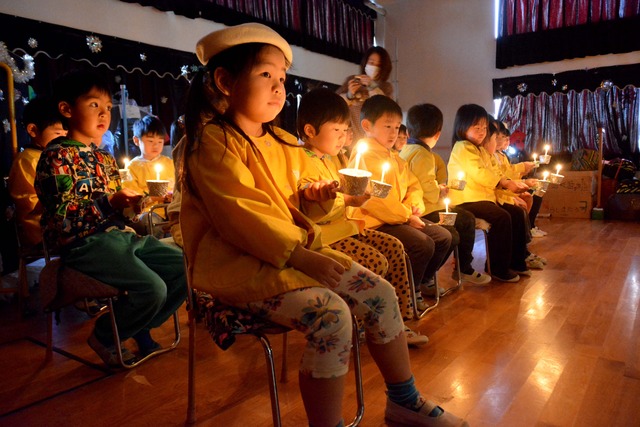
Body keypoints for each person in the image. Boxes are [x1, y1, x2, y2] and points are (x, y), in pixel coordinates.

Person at [178, 23, 468, 427]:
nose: (279, 87)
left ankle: (403, 400)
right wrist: (301, 255)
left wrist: (315, 197)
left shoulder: (280, 141)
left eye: (282, 78)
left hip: (289, 256)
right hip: (236, 266)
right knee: (332, 316)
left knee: (381, 294)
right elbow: (240, 218)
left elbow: (297, 205)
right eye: (266, 75)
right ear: (225, 81)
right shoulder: (210, 142)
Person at [34, 70, 187, 367]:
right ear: (66, 110)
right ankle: (105, 334)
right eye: (94, 105)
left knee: (183, 267)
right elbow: (64, 220)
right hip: (84, 244)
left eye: (107, 108)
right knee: (152, 288)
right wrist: (110, 204)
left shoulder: (103, 157)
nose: (104, 114)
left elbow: (118, 208)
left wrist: (139, 202)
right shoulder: (56, 157)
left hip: (119, 236)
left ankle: (139, 326)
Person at [296, 87, 426, 345]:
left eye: (346, 130)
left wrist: (358, 196)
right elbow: (314, 210)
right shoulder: (301, 159)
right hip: (325, 237)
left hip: (348, 228)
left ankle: (396, 321)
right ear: (310, 131)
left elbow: (351, 197)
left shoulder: (333, 159)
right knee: (377, 262)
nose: (343, 137)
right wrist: (348, 199)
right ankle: (370, 321)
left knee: (394, 248)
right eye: (337, 130)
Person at [348, 95, 453, 304]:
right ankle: (403, 296)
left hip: (398, 218)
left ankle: (419, 282)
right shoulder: (364, 156)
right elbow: (373, 200)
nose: (394, 133)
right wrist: (406, 216)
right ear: (367, 126)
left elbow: (413, 185)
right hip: (374, 222)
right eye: (388, 126)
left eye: (397, 127)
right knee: (422, 244)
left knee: (443, 237)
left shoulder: (395, 157)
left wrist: (414, 205)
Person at [401, 103, 490, 285]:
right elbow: (426, 186)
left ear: (408, 132)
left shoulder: (406, 150)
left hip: (420, 207)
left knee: (461, 222)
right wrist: (440, 190)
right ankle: (460, 269)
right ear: (437, 133)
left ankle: (438, 274)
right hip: (426, 209)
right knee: (465, 221)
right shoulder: (423, 154)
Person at [447, 104, 531, 283]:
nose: (481, 132)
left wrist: (509, 187)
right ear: (462, 126)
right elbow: (481, 173)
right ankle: (497, 267)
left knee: (515, 213)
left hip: (484, 199)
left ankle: (515, 261)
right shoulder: (463, 147)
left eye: (484, 128)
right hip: (467, 200)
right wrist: (505, 183)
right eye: (476, 127)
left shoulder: (479, 149)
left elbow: (495, 172)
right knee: (502, 217)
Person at [8, 96, 67, 250]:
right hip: (41, 231)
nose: (64, 139)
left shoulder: (59, 155)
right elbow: (29, 204)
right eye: (58, 134)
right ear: (33, 130)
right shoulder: (27, 160)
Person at [337, 46, 394, 144]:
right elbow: (335, 105)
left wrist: (372, 86)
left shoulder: (385, 87)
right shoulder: (352, 81)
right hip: (348, 140)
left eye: (379, 65)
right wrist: (349, 95)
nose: (374, 67)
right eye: (371, 63)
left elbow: (385, 108)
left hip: (374, 141)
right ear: (365, 63)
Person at [124, 115, 175, 195]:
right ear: (136, 140)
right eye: (150, 141)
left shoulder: (170, 163)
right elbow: (130, 190)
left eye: (160, 142)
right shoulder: (132, 167)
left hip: (168, 206)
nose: (156, 146)